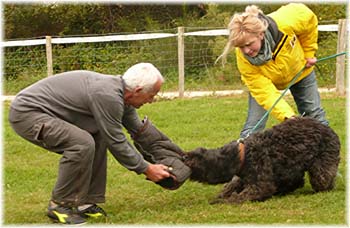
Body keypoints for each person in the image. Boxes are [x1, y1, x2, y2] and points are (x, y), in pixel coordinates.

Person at [8, 63, 177, 225]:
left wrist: (178, 157)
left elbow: (139, 130)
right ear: (138, 90)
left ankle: (84, 202)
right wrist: (147, 169)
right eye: (152, 95)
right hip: (28, 113)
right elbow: (116, 141)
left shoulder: (123, 95)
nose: (151, 101)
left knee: (98, 135)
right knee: (81, 143)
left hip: (46, 113)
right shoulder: (108, 95)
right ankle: (60, 205)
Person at [217, 3, 328, 138]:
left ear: (261, 34)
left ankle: (326, 155)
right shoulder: (243, 58)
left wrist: (309, 52)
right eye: (240, 47)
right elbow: (265, 93)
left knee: (315, 115)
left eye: (249, 44)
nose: (246, 51)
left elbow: (309, 19)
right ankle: (242, 158)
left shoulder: (285, 23)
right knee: (254, 127)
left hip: (301, 71)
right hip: (266, 83)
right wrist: (289, 117)